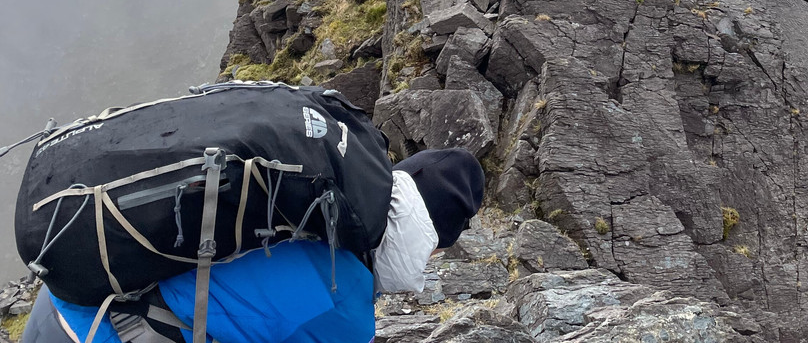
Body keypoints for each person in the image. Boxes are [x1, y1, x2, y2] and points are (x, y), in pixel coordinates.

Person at [21, 148, 485, 343]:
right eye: (436, 252)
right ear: (424, 241)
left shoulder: (309, 205)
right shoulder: (344, 311)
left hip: (73, 293)